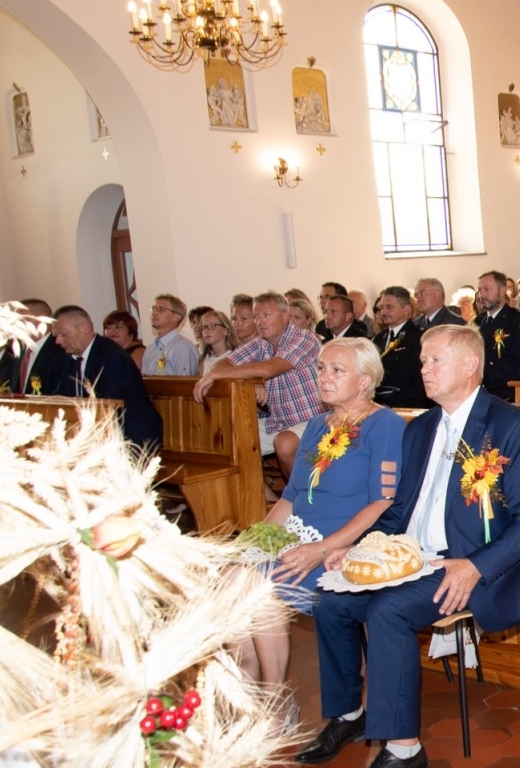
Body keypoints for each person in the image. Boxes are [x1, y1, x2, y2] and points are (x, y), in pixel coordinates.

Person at [301, 325, 520, 768]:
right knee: (330, 597)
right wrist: (361, 548)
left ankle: (403, 751)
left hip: (475, 567)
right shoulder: (419, 429)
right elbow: (397, 512)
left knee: (387, 611)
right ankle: (348, 716)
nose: (423, 369)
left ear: (469, 366)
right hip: (413, 559)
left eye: (434, 360)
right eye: (422, 360)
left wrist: (473, 566)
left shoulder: (511, 428)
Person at [242, 337, 403, 714]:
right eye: (320, 369)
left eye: (336, 370)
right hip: (297, 537)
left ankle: (276, 702)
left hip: (345, 545)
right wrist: (257, 540)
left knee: (258, 590)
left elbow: (383, 501)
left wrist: (321, 548)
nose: (323, 377)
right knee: (236, 578)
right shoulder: (316, 425)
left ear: (364, 381)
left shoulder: (384, 425)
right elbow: (291, 496)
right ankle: (249, 697)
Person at [196, 290, 323, 475]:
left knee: (285, 444)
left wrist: (224, 376)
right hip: (279, 421)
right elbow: (222, 364)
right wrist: (254, 382)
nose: (260, 321)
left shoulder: (303, 338)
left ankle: (299, 498)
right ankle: (264, 498)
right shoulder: (260, 343)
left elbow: (269, 369)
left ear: (285, 316)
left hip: (313, 418)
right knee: (230, 441)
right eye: (256, 316)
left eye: (266, 315)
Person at [49, 305, 163, 452]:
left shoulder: (111, 356)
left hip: (129, 438)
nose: (58, 341)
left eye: (64, 334)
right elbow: (62, 395)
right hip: (97, 437)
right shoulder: (70, 357)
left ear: (84, 327)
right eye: (56, 336)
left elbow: (107, 404)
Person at [473, 271, 520, 402]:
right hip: (479, 392)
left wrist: (485, 380)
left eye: (487, 289)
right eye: (480, 290)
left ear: (502, 290)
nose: (482, 295)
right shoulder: (478, 321)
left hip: (505, 394)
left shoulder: (517, 321)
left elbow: (516, 363)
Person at [370, 287, 429, 410]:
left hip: (410, 406)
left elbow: (420, 379)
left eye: (389, 307)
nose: (383, 312)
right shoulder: (378, 339)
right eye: (381, 308)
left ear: (406, 309)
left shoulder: (420, 337)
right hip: (380, 406)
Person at [143, 293, 200, 376]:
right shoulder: (150, 349)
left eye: (161, 309)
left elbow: (185, 384)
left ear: (176, 317)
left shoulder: (183, 347)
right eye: (154, 308)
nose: (154, 313)